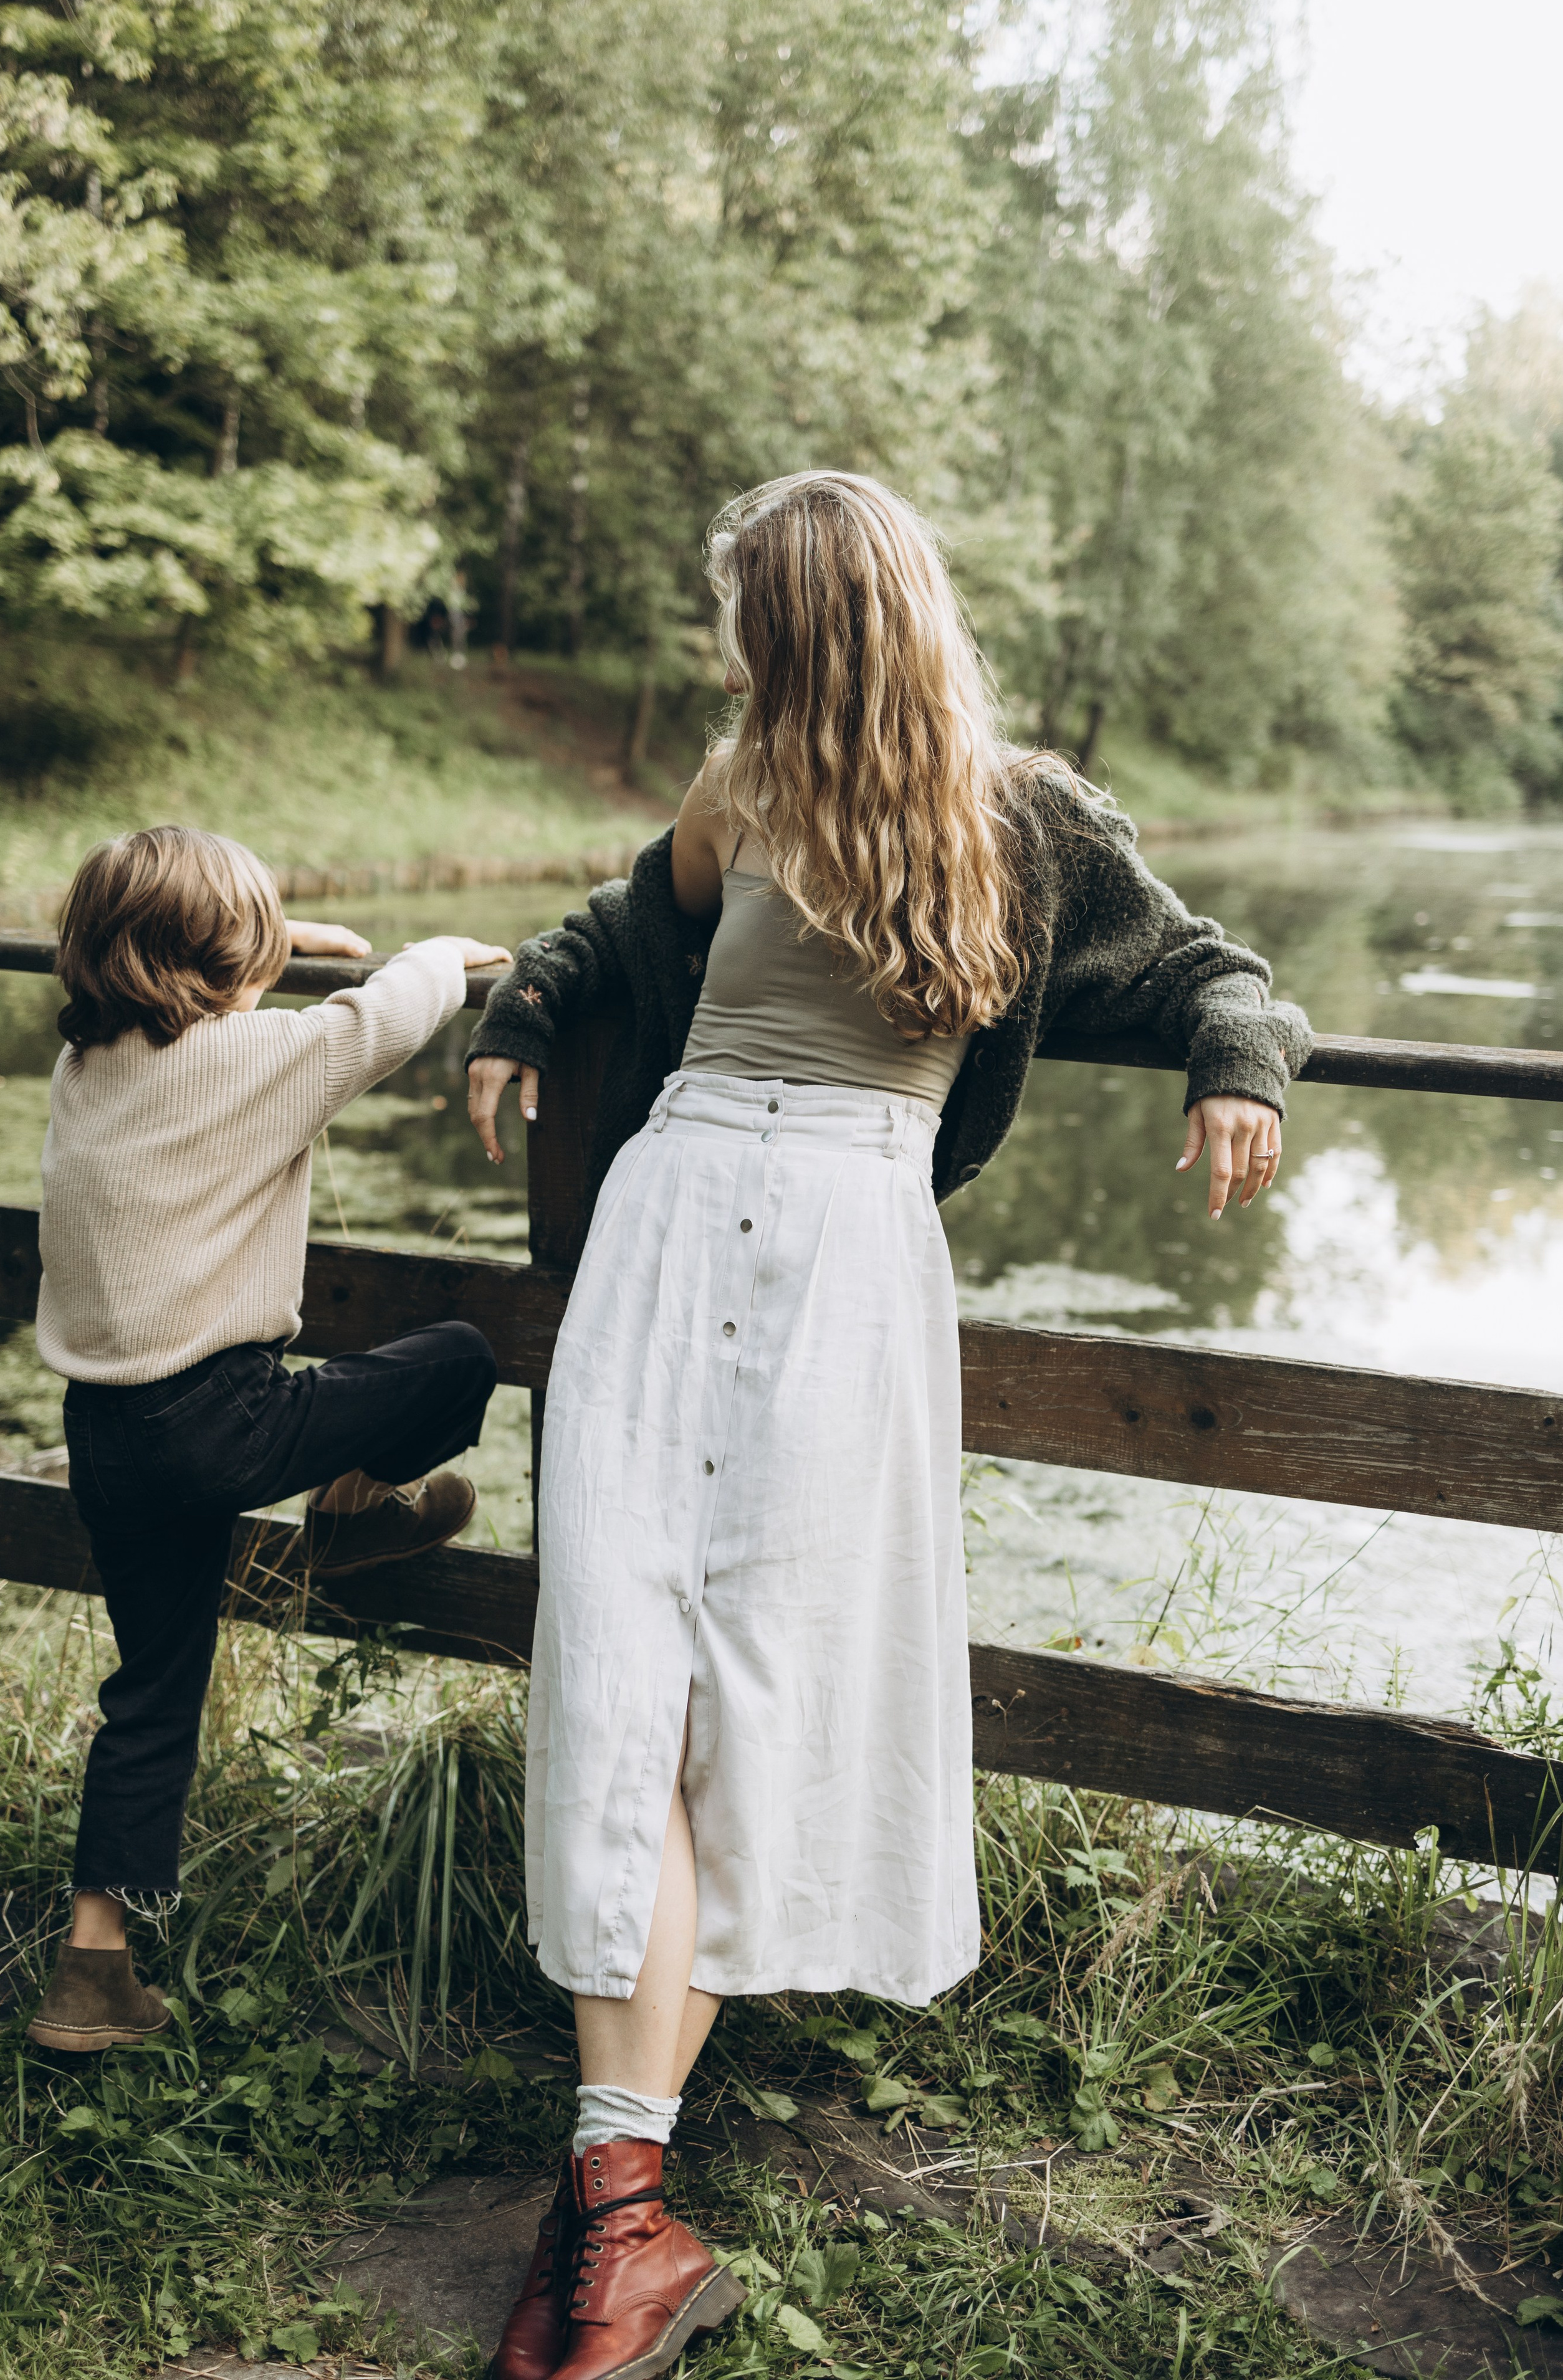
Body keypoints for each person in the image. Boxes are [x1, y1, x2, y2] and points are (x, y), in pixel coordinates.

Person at [464, 470, 1312, 2380]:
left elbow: (1214, 969)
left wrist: (1236, 1066)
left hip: (849, 1250)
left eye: (746, 613)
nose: (730, 646)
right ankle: (620, 2222)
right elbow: (620, 928)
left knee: (754, 1687)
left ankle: (611, 2217)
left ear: (814, 618)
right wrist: (523, 1010)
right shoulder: (739, 786)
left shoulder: (1024, 814)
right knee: (628, 1684)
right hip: (674, 1223)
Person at [26, 825, 510, 2055]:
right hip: (219, 1418)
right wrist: (438, 955)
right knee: (456, 1359)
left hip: (107, 1434)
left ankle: (94, 1973)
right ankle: (346, 1512)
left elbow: (184, 994)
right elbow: (378, 1025)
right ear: (227, 963)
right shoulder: (254, 1056)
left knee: (152, 1692)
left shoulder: (86, 1067)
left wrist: (275, 945)